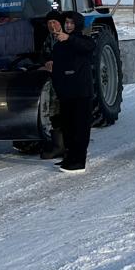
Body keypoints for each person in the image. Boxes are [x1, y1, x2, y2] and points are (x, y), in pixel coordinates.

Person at [41, 10, 96, 172]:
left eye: (71, 23)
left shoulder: (84, 41)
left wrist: (69, 38)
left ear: (77, 24)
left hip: (81, 92)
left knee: (80, 128)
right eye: (66, 23)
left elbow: (87, 47)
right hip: (66, 94)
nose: (68, 25)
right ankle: (69, 157)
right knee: (68, 128)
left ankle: (79, 161)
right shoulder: (58, 45)